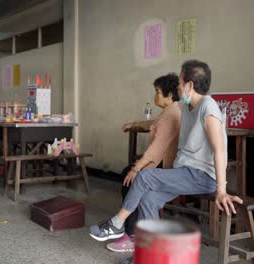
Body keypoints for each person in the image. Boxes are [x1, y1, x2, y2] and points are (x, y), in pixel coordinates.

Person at [90, 60, 243, 245]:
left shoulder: (208, 108)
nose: (178, 87)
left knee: (144, 177)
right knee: (148, 199)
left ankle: (116, 223)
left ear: (190, 85)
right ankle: (150, 254)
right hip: (184, 172)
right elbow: (159, 122)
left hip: (202, 176)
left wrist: (221, 189)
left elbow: (220, 151)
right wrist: (135, 124)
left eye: (179, 82)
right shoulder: (186, 107)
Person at [102, 73, 181, 253]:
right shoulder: (170, 112)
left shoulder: (171, 114)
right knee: (127, 175)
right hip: (160, 164)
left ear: (169, 95)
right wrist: (133, 124)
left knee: (129, 178)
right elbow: (153, 124)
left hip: (163, 167)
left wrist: (137, 168)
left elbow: (156, 149)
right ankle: (130, 230)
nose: (155, 95)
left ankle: (131, 235)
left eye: (158, 92)